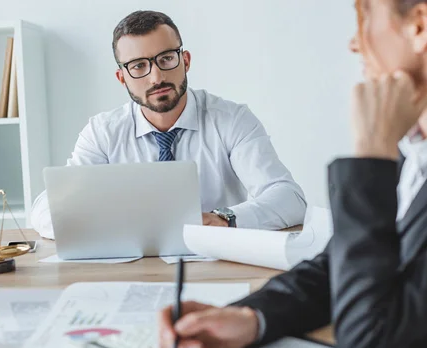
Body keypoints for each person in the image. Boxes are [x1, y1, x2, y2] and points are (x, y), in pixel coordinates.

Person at [158, 1, 427, 348]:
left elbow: (369, 332)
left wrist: (371, 155)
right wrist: (251, 317)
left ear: (421, 27)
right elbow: (345, 262)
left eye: (365, 18)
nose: (354, 43)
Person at [30, 10, 306, 239]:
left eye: (165, 59)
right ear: (122, 77)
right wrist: (111, 225)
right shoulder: (102, 133)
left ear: (185, 60)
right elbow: (45, 210)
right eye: (138, 66)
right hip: (130, 267)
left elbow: (289, 199)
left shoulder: (231, 119)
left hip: (217, 260)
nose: (156, 77)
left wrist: (224, 219)